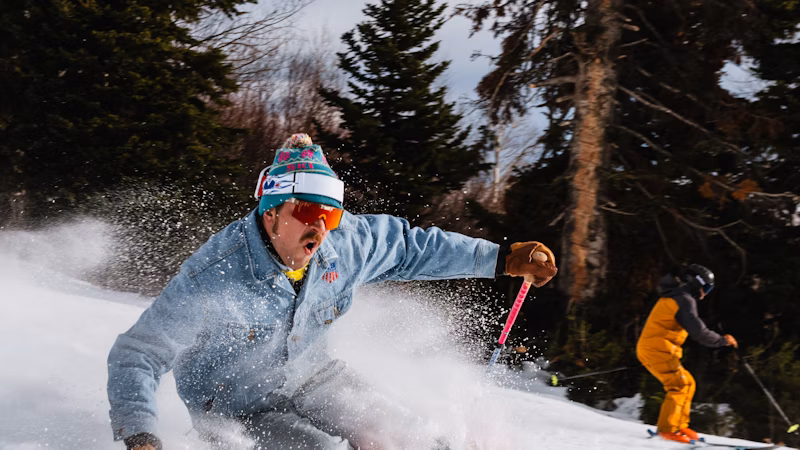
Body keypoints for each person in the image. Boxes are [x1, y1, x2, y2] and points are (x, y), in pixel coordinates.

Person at [107, 133, 559, 450]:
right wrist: (142, 437)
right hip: (235, 404)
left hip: (315, 377)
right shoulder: (215, 276)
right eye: (306, 212)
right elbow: (138, 355)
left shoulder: (342, 246)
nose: (320, 228)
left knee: (410, 438)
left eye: (331, 214)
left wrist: (502, 259)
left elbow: (411, 248)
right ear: (270, 213)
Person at [636, 264, 738, 444]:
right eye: (705, 288)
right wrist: (723, 341)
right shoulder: (683, 300)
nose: (705, 293)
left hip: (656, 348)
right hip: (658, 348)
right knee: (679, 384)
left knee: (688, 382)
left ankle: (679, 426)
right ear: (695, 283)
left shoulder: (676, 296)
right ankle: (668, 430)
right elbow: (699, 332)